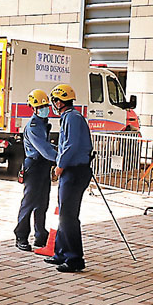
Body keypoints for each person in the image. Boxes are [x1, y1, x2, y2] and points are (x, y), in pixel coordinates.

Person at [47, 83, 93, 273]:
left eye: (54, 101)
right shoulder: (70, 116)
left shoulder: (71, 118)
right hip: (74, 170)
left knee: (68, 217)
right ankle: (61, 253)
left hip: (74, 172)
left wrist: (59, 167)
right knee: (64, 214)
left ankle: (74, 259)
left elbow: (71, 145)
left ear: (59, 102)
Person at [14, 89, 58, 251]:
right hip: (34, 166)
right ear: (33, 109)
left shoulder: (43, 124)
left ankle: (40, 236)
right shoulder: (33, 126)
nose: (44, 109)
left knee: (42, 203)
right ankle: (21, 236)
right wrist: (62, 159)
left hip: (43, 166)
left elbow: (48, 148)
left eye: (45, 106)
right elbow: (45, 150)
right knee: (29, 202)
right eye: (40, 107)